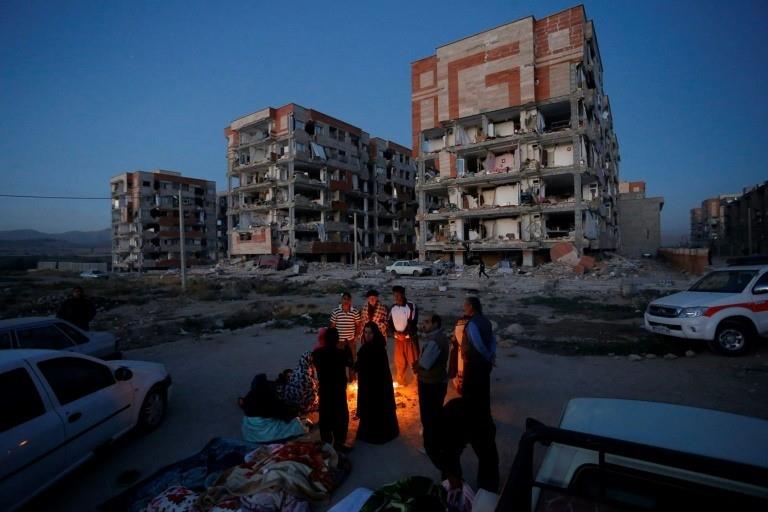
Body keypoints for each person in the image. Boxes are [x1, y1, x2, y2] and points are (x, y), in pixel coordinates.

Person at [455, 296, 499, 492]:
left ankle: (473, 419)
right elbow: (493, 342)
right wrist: (491, 356)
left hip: (475, 364)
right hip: (485, 365)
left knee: (471, 393)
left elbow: (478, 343)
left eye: (465, 305)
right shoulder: (487, 321)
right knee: (484, 391)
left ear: (471, 307)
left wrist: (485, 355)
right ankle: (483, 414)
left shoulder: (472, 323)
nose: (463, 308)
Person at [435, 397, 500, 493]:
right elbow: (444, 454)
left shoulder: (483, 426)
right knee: (449, 459)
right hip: (452, 427)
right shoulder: (443, 435)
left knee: (488, 457)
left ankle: (487, 493)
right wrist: (451, 474)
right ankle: (452, 486)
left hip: (479, 422)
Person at [414, 313, 449, 466]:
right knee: (435, 413)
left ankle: (430, 447)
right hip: (437, 381)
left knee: (428, 416)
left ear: (435, 324)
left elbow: (425, 364)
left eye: (427, 322)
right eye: (424, 322)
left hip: (430, 383)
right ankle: (437, 442)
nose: (424, 325)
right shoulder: (440, 338)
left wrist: (416, 366)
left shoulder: (435, 341)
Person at [355, 322, 399, 444]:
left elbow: (364, 367)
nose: (368, 335)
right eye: (366, 332)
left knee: (375, 409)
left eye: (370, 333)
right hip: (375, 384)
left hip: (375, 386)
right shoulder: (375, 347)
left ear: (375, 334)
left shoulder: (372, 348)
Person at [312, 327, 353, 452]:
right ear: (337, 339)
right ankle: (339, 443)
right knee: (340, 417)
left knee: (325, 416)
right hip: (338, 391)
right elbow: (350, 363)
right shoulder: (340, 354)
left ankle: (326, 443)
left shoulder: (317, 354)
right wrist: (347, 348)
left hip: (324, 390)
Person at [281, 332, 321, 416]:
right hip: (299, 403)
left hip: (290, 399)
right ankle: (308, 408)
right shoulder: (306, 376)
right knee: (316, 394)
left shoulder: (296, 370)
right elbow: (313, 390)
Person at [388, 285, 419, 386]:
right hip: (398, 340)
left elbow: (412, 322)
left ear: (403, 295)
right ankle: (401, 381)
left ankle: (417, 382)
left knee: (414, 361)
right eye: (395, 295)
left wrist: (404, 334)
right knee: (399, 362)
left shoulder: (411, 306)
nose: (396, 297)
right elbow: (390, 323)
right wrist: (395, 333)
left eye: (398, 295)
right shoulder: (393, 308)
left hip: (410, 339)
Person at [330, 292, 362, 382]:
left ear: (350, 301)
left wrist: (356, 336)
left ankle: (352, 381)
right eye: (344, 299)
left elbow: (358, 325)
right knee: (339, 362)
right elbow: (332, 326)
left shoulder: (354, 312)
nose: (346, 301)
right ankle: (341, 381)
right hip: (339, 342)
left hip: (351, 341)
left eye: (348, 299)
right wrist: (333, 340)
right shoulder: (336, 311)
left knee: (352, 362)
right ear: (342, 300)